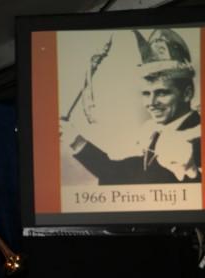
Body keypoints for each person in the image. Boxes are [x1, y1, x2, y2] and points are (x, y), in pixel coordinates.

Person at [60, 28, 201, 185]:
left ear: (187, 94)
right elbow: (119, 175)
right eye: (146, 93)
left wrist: (193, 172)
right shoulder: (155, 132)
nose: (151, 103)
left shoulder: (198, 139)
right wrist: (76, 141)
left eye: (162, 93)